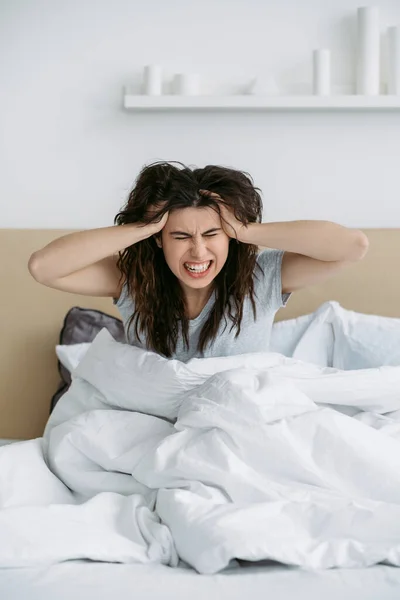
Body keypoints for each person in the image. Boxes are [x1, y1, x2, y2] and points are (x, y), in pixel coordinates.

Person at [28, 160, 369, 361]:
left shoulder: (260, 277)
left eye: (211, 235)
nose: (198, 253)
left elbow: (353, 246)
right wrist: (143, 227)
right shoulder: (132, 279)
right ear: (158, 240)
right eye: (180, 237)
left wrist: (247, 231)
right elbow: (43, 267)